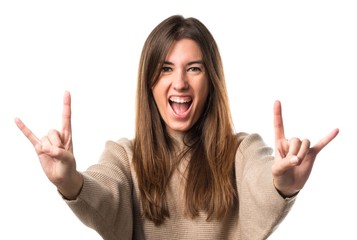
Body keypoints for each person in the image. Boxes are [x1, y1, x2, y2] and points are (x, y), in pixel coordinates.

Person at [15, 15, 339, 240]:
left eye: (194, 68)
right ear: (150, 83)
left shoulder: (241, 150)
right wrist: (69, 181)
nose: (180, 83)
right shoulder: (124, 156)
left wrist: (282, 185)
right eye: (166, 69)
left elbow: (260, 178)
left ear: (211, 81)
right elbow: (103, 191)